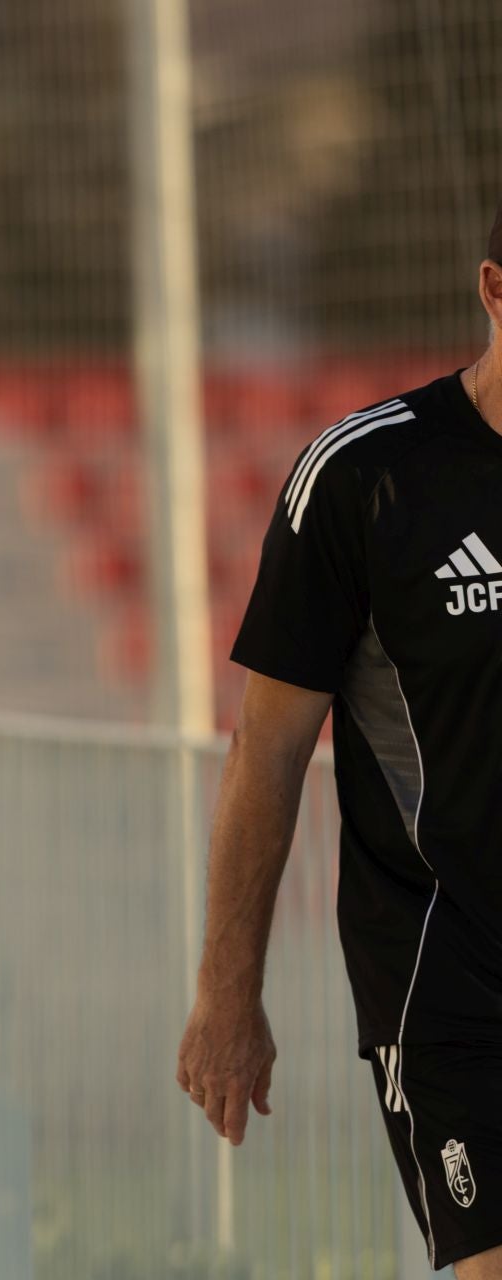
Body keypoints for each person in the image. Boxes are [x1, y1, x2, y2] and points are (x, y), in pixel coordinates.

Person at [178, 204, 502, 1275]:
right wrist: (230, 993)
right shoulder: (365, 478)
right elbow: (267, 749)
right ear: (495, 292)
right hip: (454, 981)